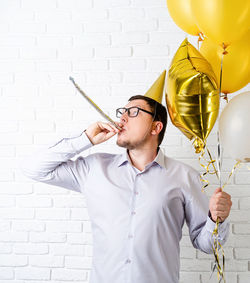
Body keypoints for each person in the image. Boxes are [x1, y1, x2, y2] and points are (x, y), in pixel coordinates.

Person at [19, 71, 232, 283]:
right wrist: (85, 139)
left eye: (134, 112)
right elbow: (33, 168)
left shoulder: (185, 177)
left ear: (156, 127)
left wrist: (216, 219)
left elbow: (208, 245)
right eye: (123, 111)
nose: (121, 117)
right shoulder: (94, 169)